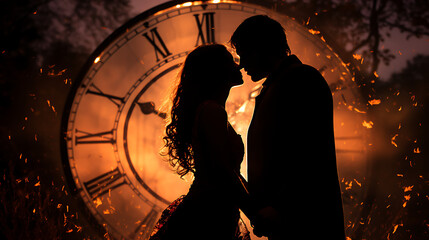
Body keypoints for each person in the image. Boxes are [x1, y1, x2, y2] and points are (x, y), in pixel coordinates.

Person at [230, 15, 346, 239]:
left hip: (305, 223)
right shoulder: (291, 80)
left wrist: (281, 206)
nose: (242, 64)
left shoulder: (300, 79)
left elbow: (311, 151)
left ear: (261, 48)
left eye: (244, 53)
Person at [149, 44, 251, 240]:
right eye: (231, 62)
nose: (238, 66)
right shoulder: (212, 111)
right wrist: (255, 210)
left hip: (209, 209)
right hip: (209, 213)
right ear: (217, 70)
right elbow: (224, 170)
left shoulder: (208, 110)